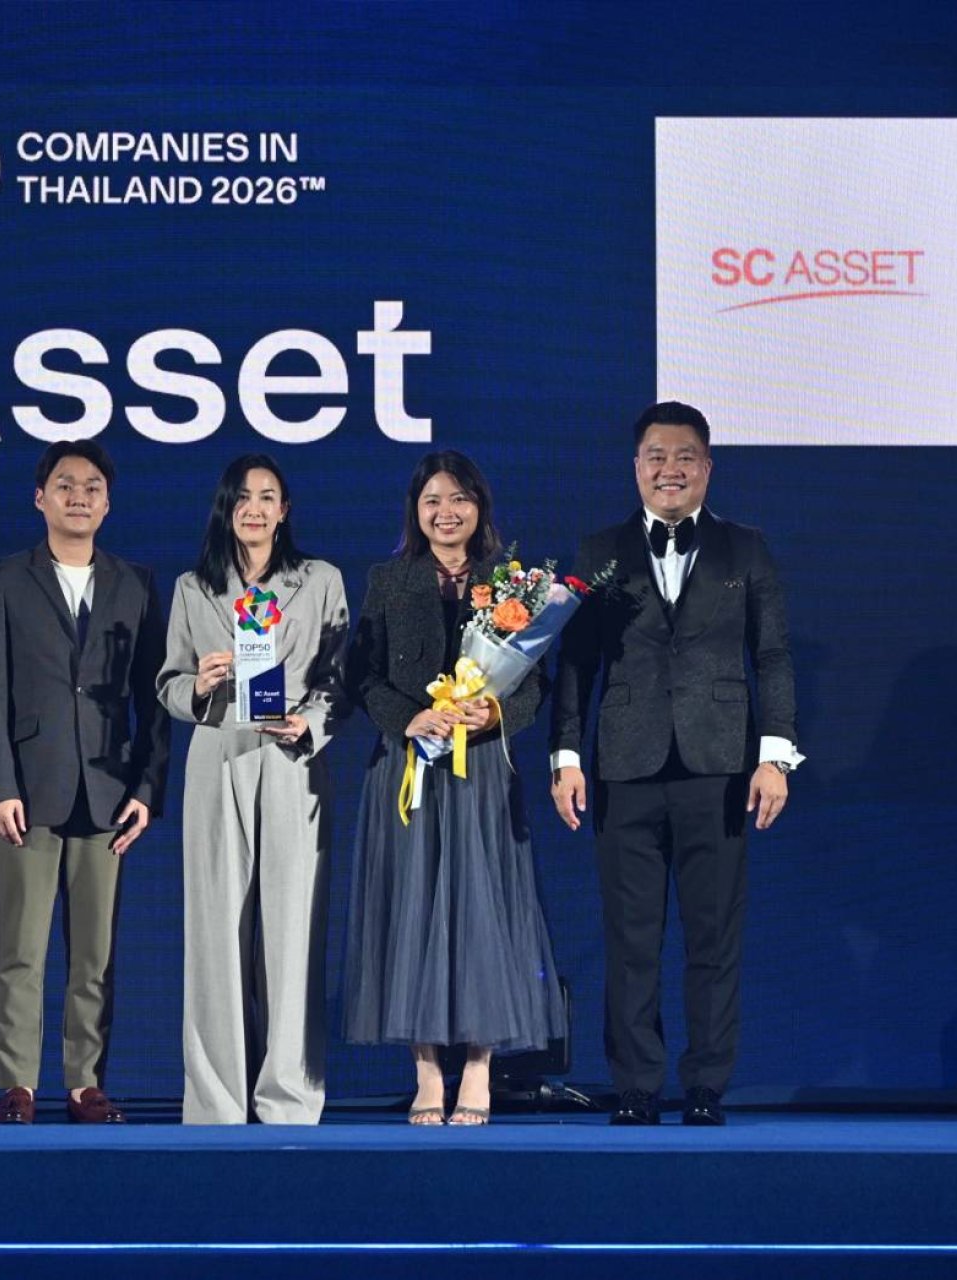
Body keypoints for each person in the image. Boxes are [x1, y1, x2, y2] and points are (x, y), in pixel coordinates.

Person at [549, 401, 800, 1126]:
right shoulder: (599, 549)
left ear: (707, 467)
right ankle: (635, 1086)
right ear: (636, 467)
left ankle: (705, 1085)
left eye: (685, 456)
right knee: (630, 938)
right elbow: (576, 661)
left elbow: (772, 655)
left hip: (720, 767)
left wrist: (775, 757)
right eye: (656, 456)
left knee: (714, 936)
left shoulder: (745, 548)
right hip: (623, 767)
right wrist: (566, 754)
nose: (670, 469)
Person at [341, 451, 567, 1125]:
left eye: (460, 499)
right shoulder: (388, 579)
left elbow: (533, 684)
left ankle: (477, 1068)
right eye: (433, 500)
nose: (447, 512)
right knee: (410, 911)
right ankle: (425, 1072)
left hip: (481, 771)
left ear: (480, 508)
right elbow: (362, 674)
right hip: (408, 768)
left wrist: (494, 714)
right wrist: (408, 718)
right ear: (415, 510)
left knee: (482, 913)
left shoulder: (510, 583)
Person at [0, 439, 169, 1126]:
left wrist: (147, 789)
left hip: (110, 791)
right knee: (20, 950)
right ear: (40, 499)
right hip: (28, 789)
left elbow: (156, 697)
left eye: (91, 487)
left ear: (107, 504)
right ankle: (17, 1085)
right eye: (65, 485)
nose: (78, 496)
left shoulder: (136, 583)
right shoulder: (5, 578)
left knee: (95, 955)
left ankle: (85, 1085)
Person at [157, 453, 347, 1124]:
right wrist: (199, 686)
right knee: (214, 931)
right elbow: (168, 683)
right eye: (242, 497)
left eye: (267, 497)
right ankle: (217, 1100)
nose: (255, 508)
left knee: (292, 933)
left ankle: (288, 1097)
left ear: (285, 509)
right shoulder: (193, 587)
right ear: (226, 509)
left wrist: (310, 724)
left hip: (291, 758)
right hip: (219, 753)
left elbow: (339, 678)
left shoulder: (319, 580)